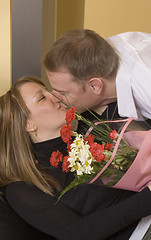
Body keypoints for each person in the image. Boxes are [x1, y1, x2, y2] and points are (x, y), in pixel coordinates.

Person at [1, 76, 151, 240]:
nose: (56, 97)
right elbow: (78, 232)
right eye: (42, 98)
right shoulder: (23, 187)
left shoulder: (89, 132)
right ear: (27, 125)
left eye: (49, 91)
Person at [43, 29, 151, 125]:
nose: (54, 98)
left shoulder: (146, 86)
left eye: (62, 93)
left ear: (95, 86)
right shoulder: (96, 52)